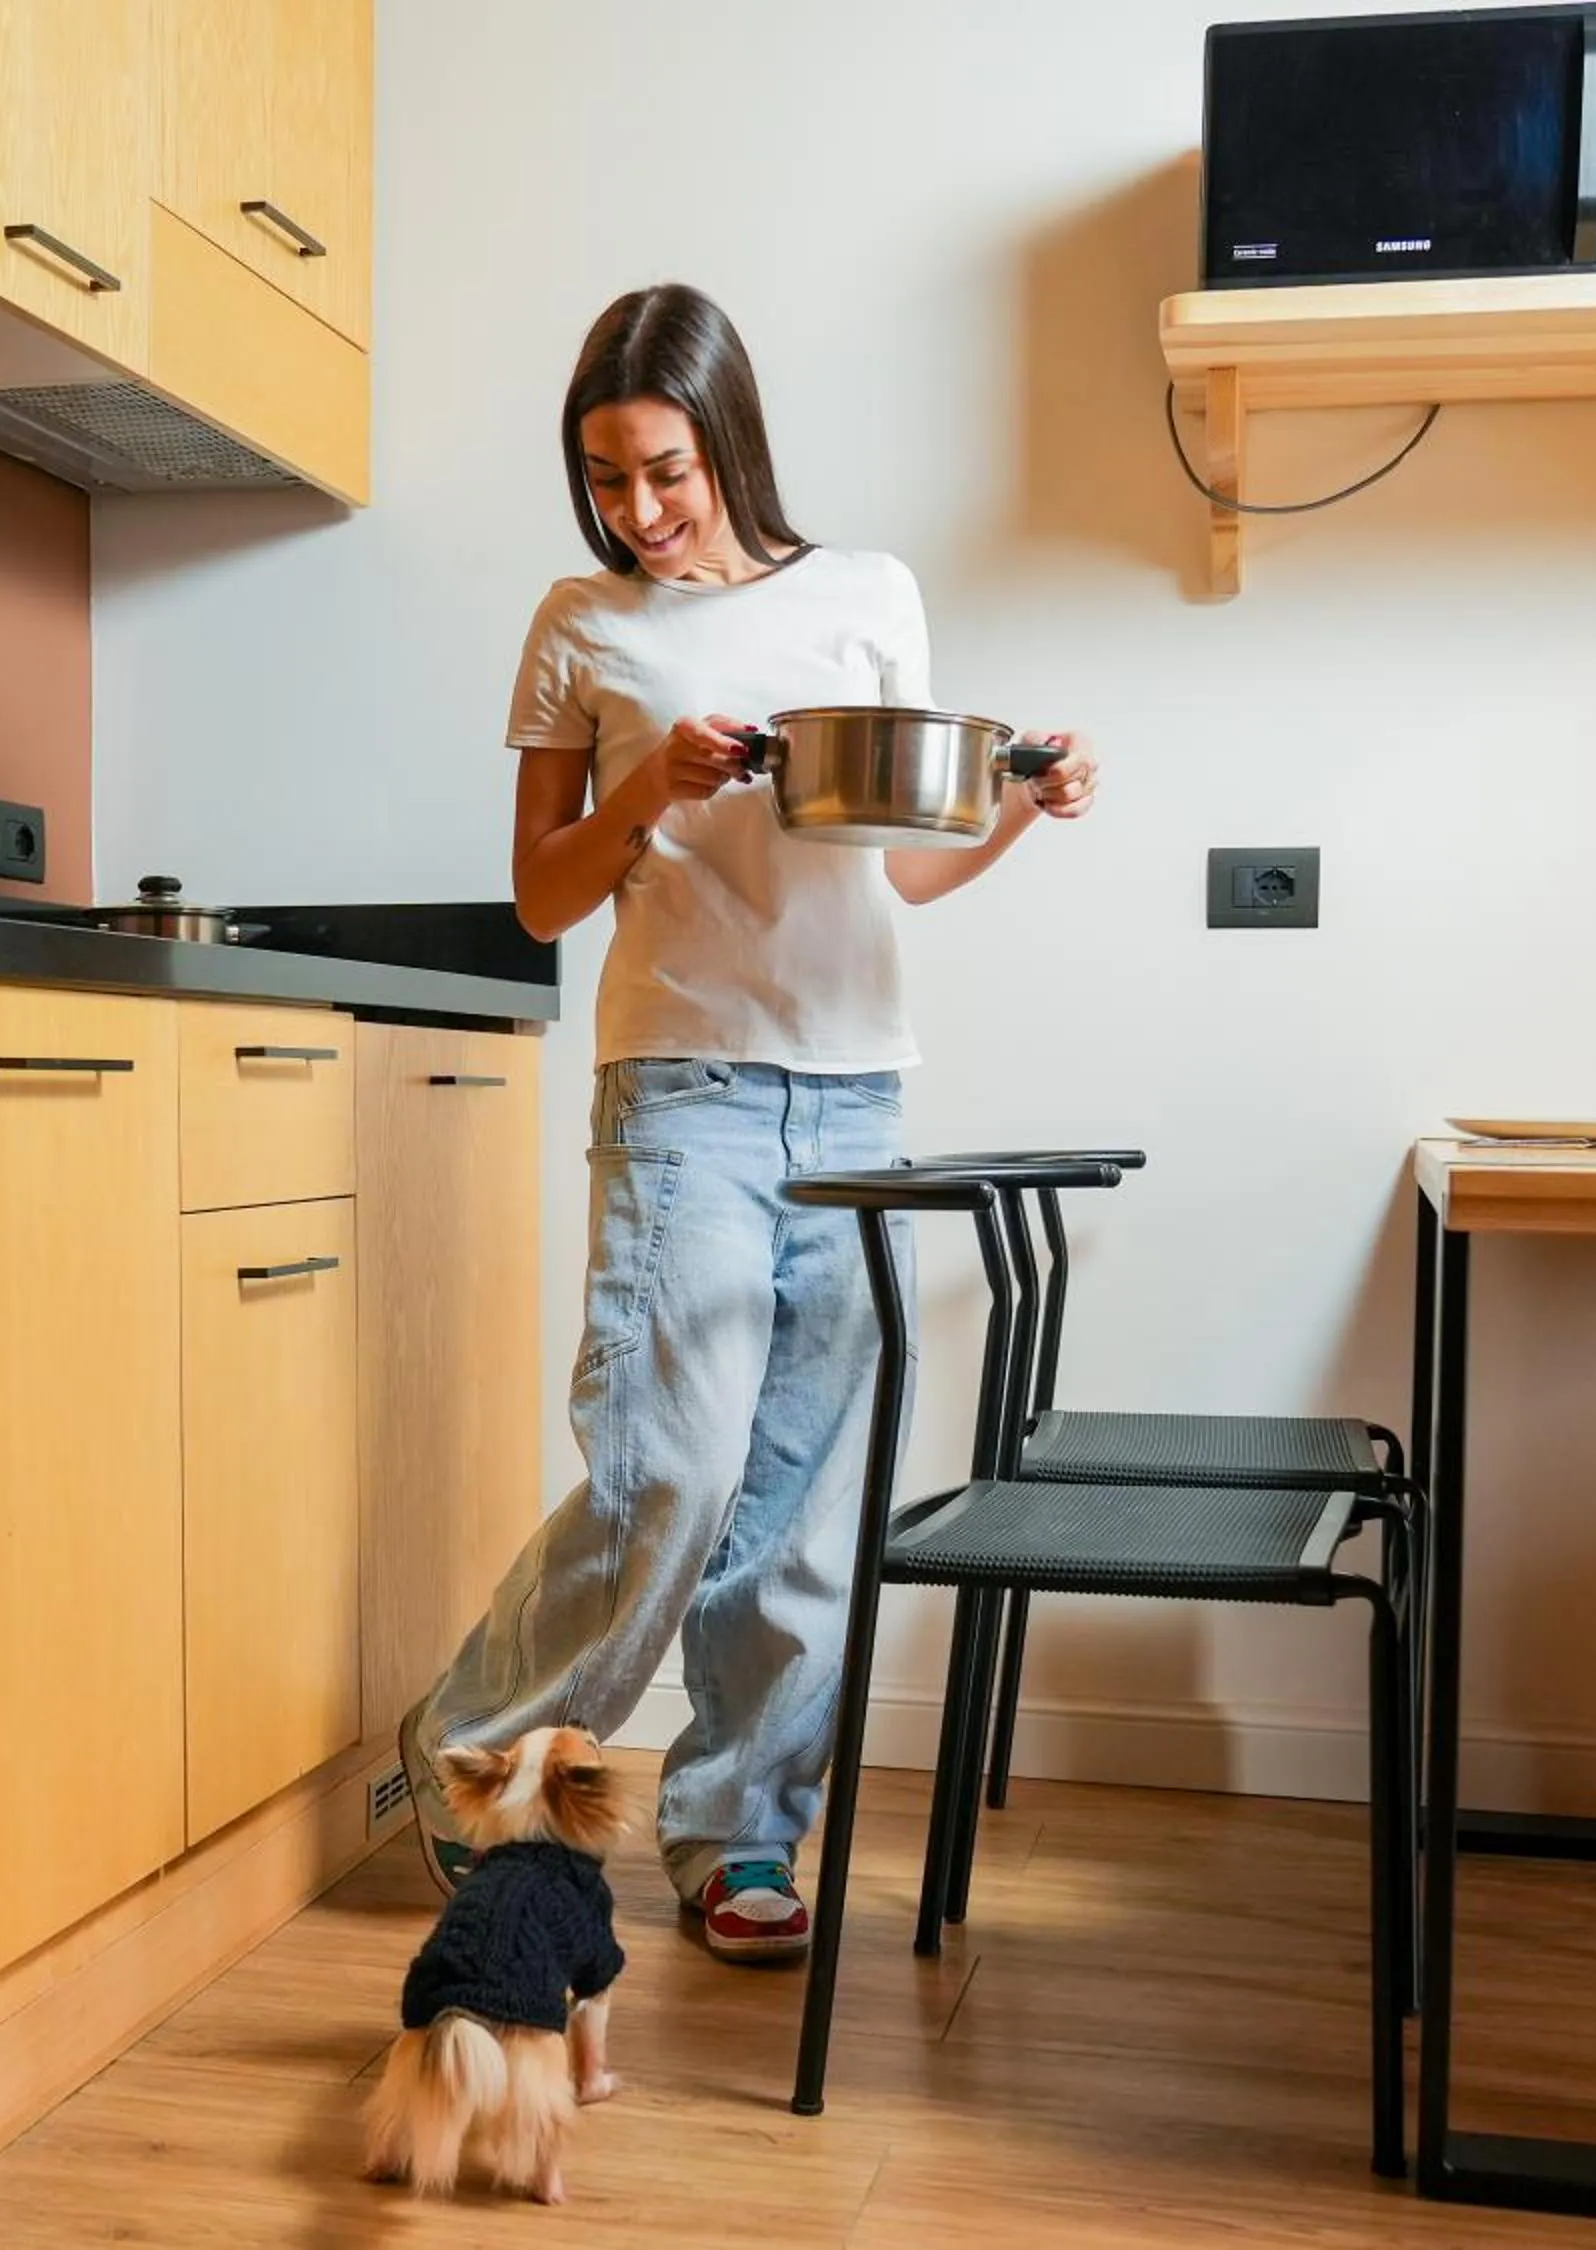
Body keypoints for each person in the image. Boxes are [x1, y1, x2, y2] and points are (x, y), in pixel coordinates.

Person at [399, 281, 1099, 1962]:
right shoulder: (583, 622)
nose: (639, 508)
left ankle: (739, 1831)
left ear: (727, 439)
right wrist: (651, 785)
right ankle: (478, 1761)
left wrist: (1022, 801)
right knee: (675, 1470)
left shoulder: (869, 595)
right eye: (606, 477)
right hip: (683, 1088)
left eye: (665, 469)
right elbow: (539, 897)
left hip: (856, 1089)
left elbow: (901, 868)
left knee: (794, 1502)